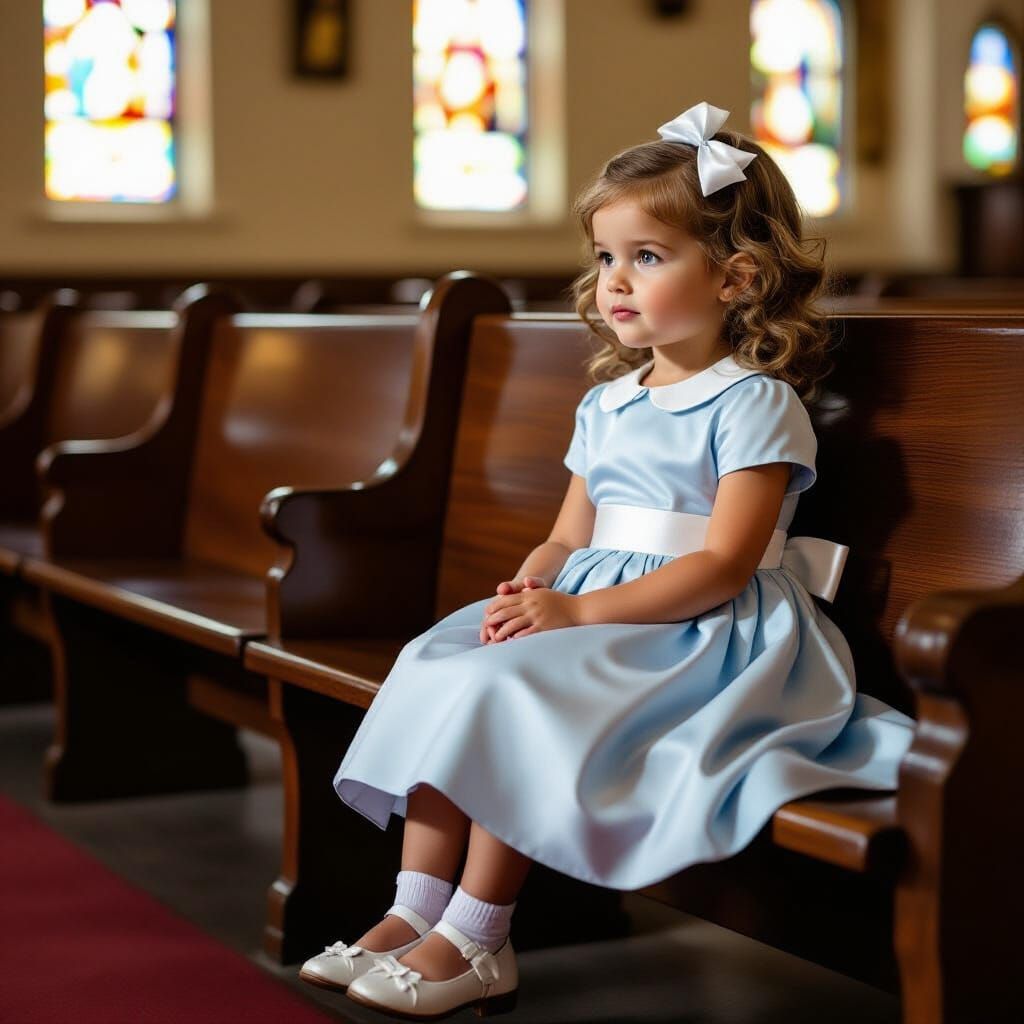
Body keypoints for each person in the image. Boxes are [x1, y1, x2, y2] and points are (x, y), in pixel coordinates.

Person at [300, 101, 917, 1020]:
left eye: (647, 257)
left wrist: (577, 615)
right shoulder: (609, 403)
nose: (614, 281)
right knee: (440, 663)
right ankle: (413, 910)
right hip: (592, 605)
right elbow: (568, 533)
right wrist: (537, 581)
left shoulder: (752, 404)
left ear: (736, 276)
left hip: (705, 628)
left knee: (514, 689)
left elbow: (725, 564)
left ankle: (477, 935)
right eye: (604, 257)